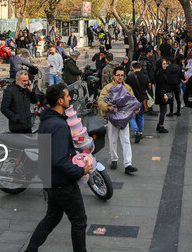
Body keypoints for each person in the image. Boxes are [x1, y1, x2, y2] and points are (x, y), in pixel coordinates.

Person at [26, 83, 91, 252]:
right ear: (60, 101)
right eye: (67, 96)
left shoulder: (47, 120)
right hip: (62, 183)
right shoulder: (59, 125)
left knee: (52, 218)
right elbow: (59, 160)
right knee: (79, 221)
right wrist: (79, 171)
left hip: (50, 179)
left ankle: (31, 249)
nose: (70, 98)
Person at [98, 67, 139, 174]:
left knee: (126, 140)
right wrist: (109, 107)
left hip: (124, 119)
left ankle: (128, 164)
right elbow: (101, 101)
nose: (120, 77)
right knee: (113, 140)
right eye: (118, 75)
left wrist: (136, 108)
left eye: (122, 75)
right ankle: (114, 159)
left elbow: (132, 99)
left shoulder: (127, 87)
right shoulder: (108, 88)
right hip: (112, 118)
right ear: (114, 76)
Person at [126, 61, 150, 143]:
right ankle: (140, 132)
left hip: (132, 100)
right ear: (141, 68)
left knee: (132, 116)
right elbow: (147, 88)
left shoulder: (129, 77)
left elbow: (126, 88)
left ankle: (135, 131)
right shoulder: (145, 76)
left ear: (133, 68)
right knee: (141, 116)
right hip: (142, 100)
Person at [153, 58, 171, 133]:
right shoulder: (160, 73)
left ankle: (159, 124)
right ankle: (161, 126)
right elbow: (161, 85)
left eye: (165, 64)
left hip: (162, 93)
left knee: (163, 110)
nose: (165, 65)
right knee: (163, 110)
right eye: (163, 64)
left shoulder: (161, 72)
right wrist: (164, 94)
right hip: (162, 94)